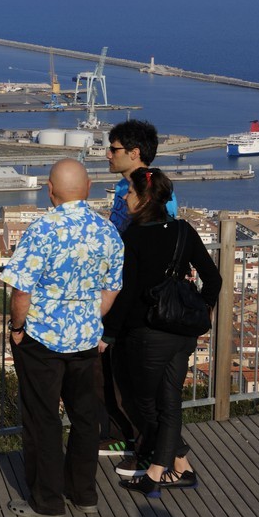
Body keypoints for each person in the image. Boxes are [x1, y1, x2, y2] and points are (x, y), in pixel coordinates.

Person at [0, 158, 125, 517]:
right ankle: (84, 492)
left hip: (42, 339)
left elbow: (21, 291)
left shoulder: (42, 230)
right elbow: (112, 288)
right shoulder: (107, 232)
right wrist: (87, 318)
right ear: (87, 189)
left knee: (43, 420)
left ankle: (47, 501)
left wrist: (17, 328)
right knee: (85, 417)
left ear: (49, 191)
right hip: (86, 339)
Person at [103, 168, 220, 498]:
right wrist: (197, 310)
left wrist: (109, 334)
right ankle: (178, 468)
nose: (124, 197)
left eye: (129, 192)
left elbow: (125, 295)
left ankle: (156, 471)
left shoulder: (134, 238)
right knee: (168, 402)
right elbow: (214, 280)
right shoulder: (184, 230)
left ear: (143, 199)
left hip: (147, 333)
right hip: (182, 334)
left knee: (142, 404)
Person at [99, 120, 177, 456]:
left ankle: (152, 448)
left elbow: (160, 239)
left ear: (134, 153)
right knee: (115, 368)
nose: (107, 154)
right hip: (119, 286)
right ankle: (123, 433)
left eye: (114, 149)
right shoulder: (123, 188)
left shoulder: (152, 191)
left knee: (136, 376)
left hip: (138, 294)